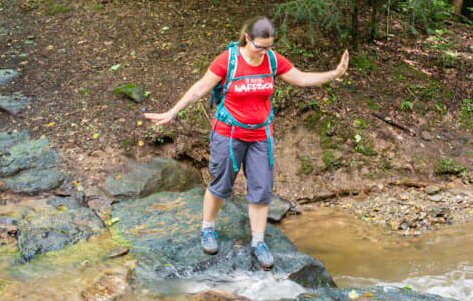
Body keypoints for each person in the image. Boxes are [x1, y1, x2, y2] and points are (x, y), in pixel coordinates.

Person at [144, 17, 348, 269]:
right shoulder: (228, 60)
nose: (265, 52)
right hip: (228, 133)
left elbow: (301, 78)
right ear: (247, 38)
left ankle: (259, 242)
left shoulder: (273, 60)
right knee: (221, 183)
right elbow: (200, 89)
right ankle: (208, 228)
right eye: (260, 46)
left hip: (260, 135)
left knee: (261, 189)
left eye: (269, 47)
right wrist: (173, 112)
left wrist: (334, 73)